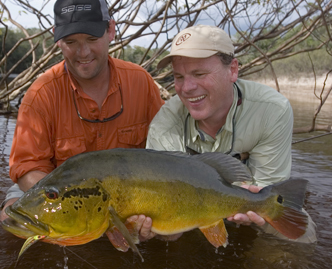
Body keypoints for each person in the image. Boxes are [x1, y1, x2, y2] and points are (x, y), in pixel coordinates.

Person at [133, 24, 316, 243]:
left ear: (233, 70)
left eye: (199, 74)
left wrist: (253, 201)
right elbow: (165, 207)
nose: (186, 88)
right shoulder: (165, 122)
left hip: (247, 204)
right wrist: (155, 230)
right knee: (165, 239)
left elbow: (269, 189)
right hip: (189, 209)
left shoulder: (271, 110)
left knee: (300, 235)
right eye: (178, 77)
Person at [0, 0, 163, 221]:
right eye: (71, 41)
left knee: (168, 230)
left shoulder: (141, 81)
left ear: (111, 30)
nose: (83, 52)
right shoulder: (40, 94)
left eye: (92, 39)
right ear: (57, 37)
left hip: (128, 190)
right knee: (12, 218)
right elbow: (26, 167)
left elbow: (166, 152)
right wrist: (67, 203)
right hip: (57, 190)